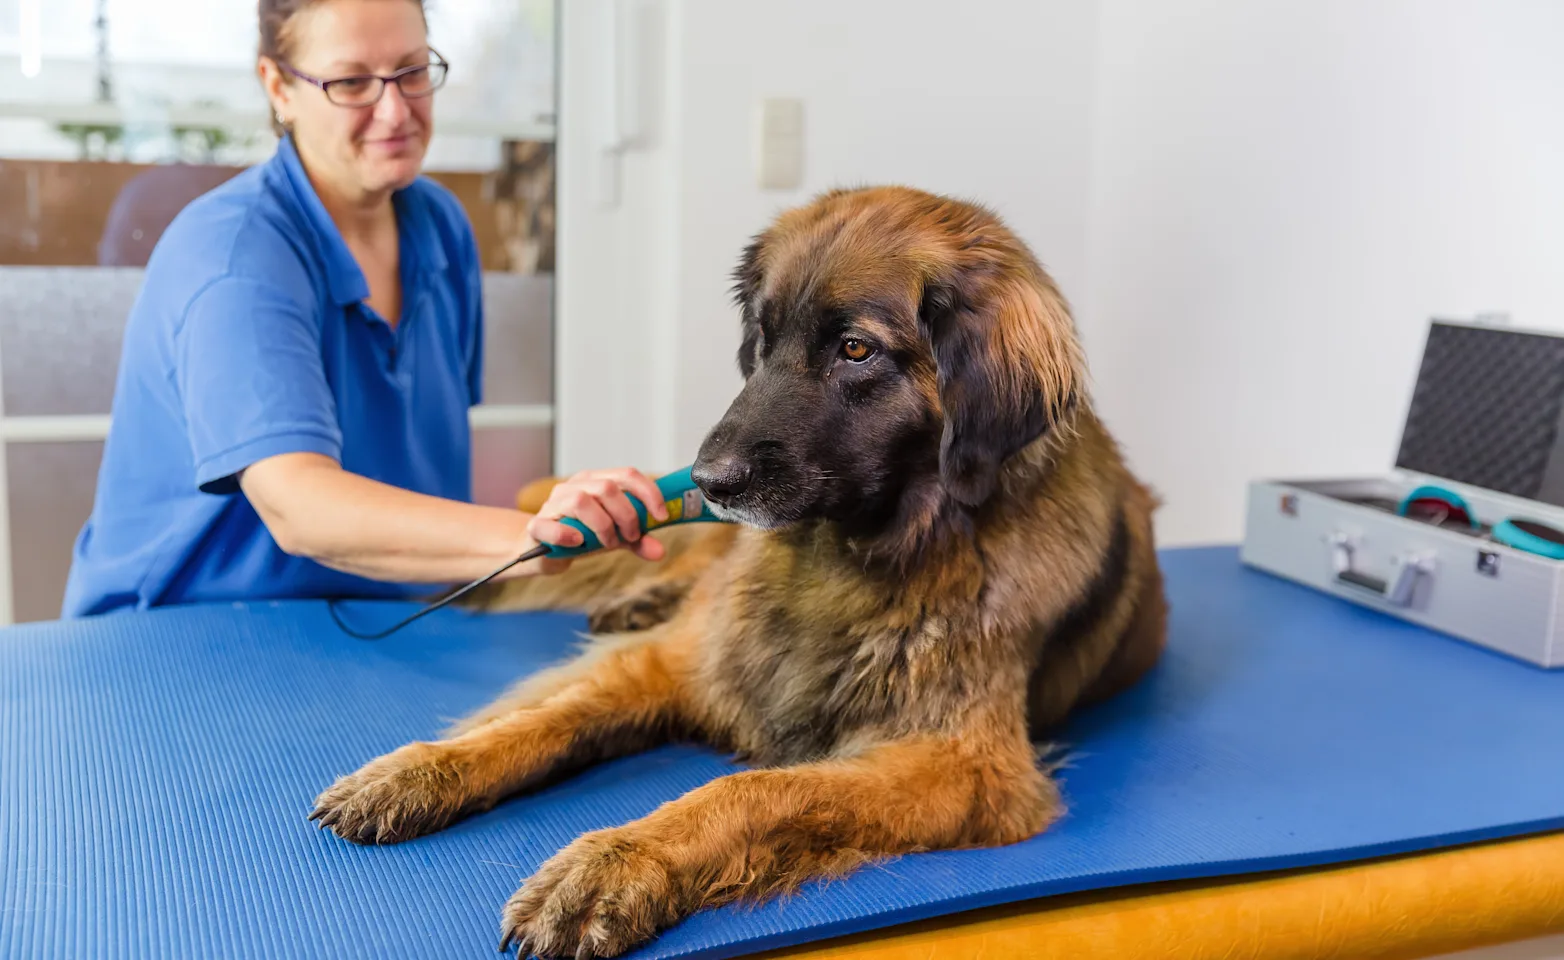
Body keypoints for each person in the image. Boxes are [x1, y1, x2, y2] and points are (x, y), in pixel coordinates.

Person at [61, 0, 665, 618]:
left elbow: (419, 465)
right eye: (351, 82)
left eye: (411, 71)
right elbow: (300, 509)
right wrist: (529, 537)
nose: (396, 110)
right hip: (181, 633)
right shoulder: (234, 257)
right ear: (278, 87)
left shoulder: (439, 228)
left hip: (383, 620)